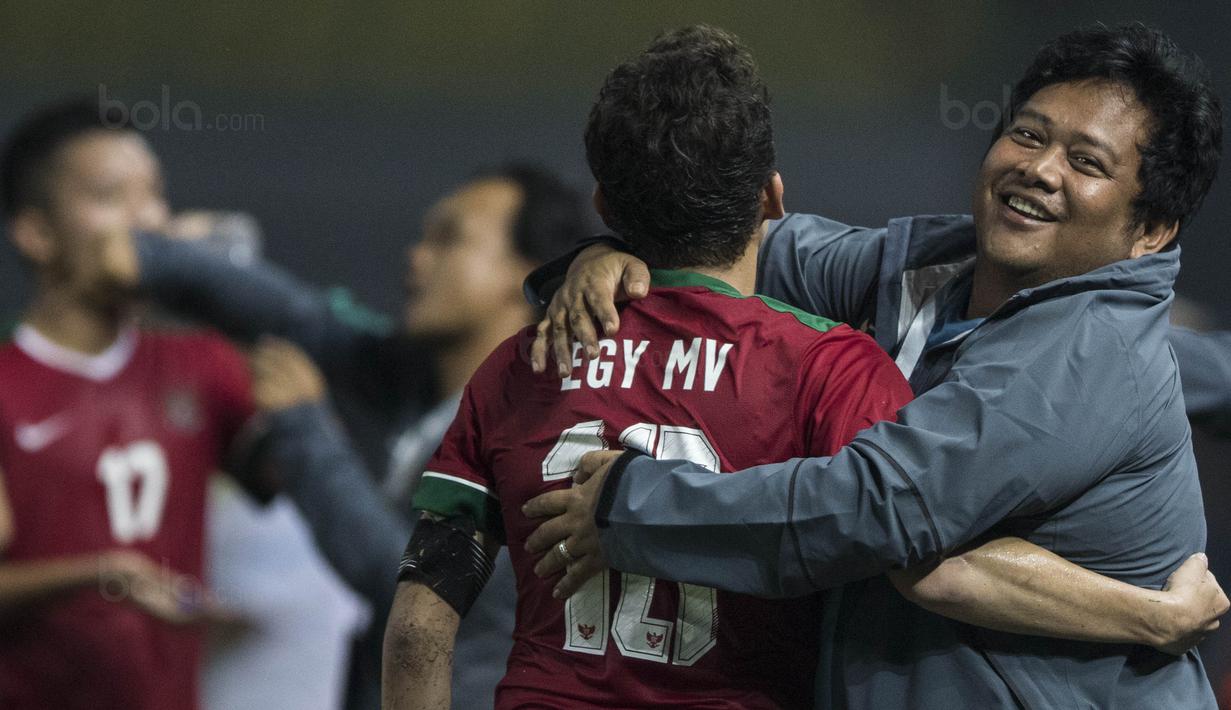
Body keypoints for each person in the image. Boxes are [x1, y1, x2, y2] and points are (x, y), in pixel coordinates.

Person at [383, 24, 1225, 710]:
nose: (1038, 169)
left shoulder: (1087, 352)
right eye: (1027, 134)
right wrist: (606, 256)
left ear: (1150, 230)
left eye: (1086, 162)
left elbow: (880, 511)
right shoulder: (925, 265)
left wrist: (636, 505)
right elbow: (717, 236)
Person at [100, 164, 590, 709]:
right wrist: (154, 258)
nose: (417, 256)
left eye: (449, 239)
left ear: (526, 275)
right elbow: (298, 317)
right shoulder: (414, 381)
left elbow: (411, 588)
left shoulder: (537, 433)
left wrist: (303, 429)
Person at [0, 101, 270, 709]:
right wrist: (103, 573)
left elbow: (300, 476)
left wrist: (244, 304)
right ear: (37, 232)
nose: (146, 217)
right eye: (111, 195)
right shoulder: (5, 386)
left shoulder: (202, 363)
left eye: (155, 194)